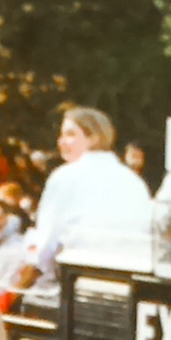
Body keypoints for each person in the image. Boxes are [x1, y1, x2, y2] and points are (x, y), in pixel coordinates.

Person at [16, 108, 151, 294]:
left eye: (70, 134)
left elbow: (45, 245)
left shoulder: (64, 177)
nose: (61, 141)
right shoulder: (133, 180)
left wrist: (23, 280)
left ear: (94, 138)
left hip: (76, 285)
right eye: (61, 135)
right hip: (129, 286)